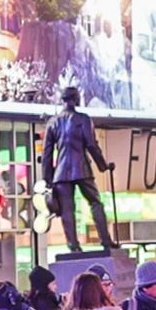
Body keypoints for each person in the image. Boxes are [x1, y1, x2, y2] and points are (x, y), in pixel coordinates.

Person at [38, 87, 109, 259]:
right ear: (76, 99)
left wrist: (47, 179)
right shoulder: (82, 119)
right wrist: (103, 165)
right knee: (95, 202)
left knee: (67, 209)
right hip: (81, 168)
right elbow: (91, 145)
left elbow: (47, 153)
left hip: (61, 173)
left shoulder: (53, 122)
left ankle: (73, 245)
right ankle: (105, 240)